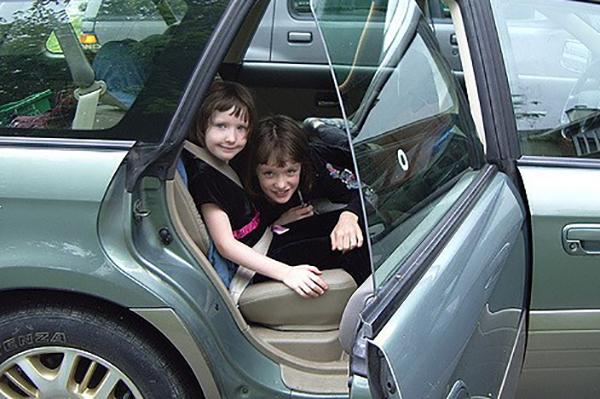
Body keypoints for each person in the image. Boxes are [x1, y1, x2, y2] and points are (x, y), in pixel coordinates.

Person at [184, 82, 328, 298]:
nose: (231, 138)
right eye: (221, 126)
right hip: (251, 268)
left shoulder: (223, 164)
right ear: (202, 125)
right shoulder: (205, 176)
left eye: (240, 128)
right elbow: (226, 245)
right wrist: (287, 273)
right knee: (341, 249)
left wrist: (277, 224)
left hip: (267, 238)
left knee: (335, 228)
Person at [245, 115, 370, 285]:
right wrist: (277, 224)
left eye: (291, 172)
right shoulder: (244, 193)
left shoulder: (314, 168)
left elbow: (359, 192)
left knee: (357, 233)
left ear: (302, 166)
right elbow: (248, 245)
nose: (281, 184)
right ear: (254, 170)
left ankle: (322, 126)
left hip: (296, 226)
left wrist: (349, 216)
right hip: (267, 247)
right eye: (269, 173)